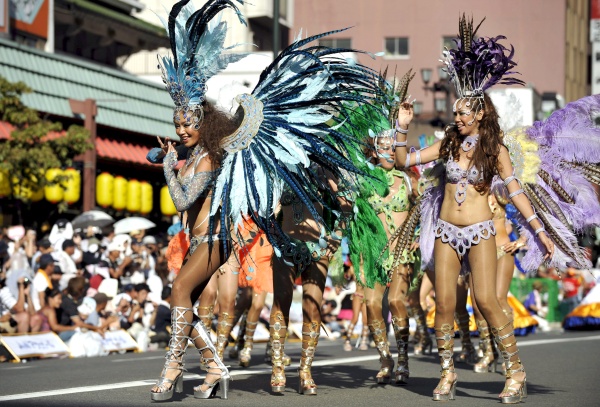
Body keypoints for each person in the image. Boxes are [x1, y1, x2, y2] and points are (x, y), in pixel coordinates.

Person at [393, 15, 554, 403]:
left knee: (486, 300)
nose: (457, 116)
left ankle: (515, 372)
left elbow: (514, 191)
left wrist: (540, 231)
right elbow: (403, 161)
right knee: (445, 303)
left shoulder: (495, 149)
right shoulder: (448, 144)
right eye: (456, 112)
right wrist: (401, 126)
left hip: (481, 232)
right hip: (446, 231)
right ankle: (447, 372)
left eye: (464, 113)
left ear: (480, 113)